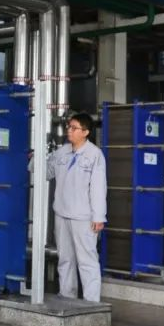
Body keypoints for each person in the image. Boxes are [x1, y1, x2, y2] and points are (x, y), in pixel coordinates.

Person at [47, 112, 107, 303]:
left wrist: (99, 216)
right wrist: (36, 157)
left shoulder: (94, 155)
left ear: (86, 132)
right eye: (69, 127)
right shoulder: (62, 152)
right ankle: (67, 296)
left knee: (87, 260)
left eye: (74, 128)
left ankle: (92, 302)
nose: (69, 131)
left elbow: (98, 188)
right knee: (65, 259)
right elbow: (46, 172)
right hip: (62, 213)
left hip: (83, 217)